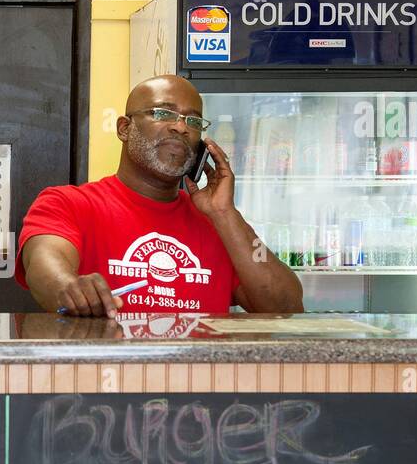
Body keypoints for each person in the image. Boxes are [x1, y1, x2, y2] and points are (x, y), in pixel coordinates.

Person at [16, 74, 304, 317]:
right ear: (125, 129)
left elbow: (286, 307)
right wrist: (69, 288)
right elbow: (44, 267)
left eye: (193, 121)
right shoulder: (68, 203)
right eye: (162, 113)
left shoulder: (219, 225)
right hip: (106, 380)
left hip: (197, 382)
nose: (180, 126)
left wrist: (225, 214)